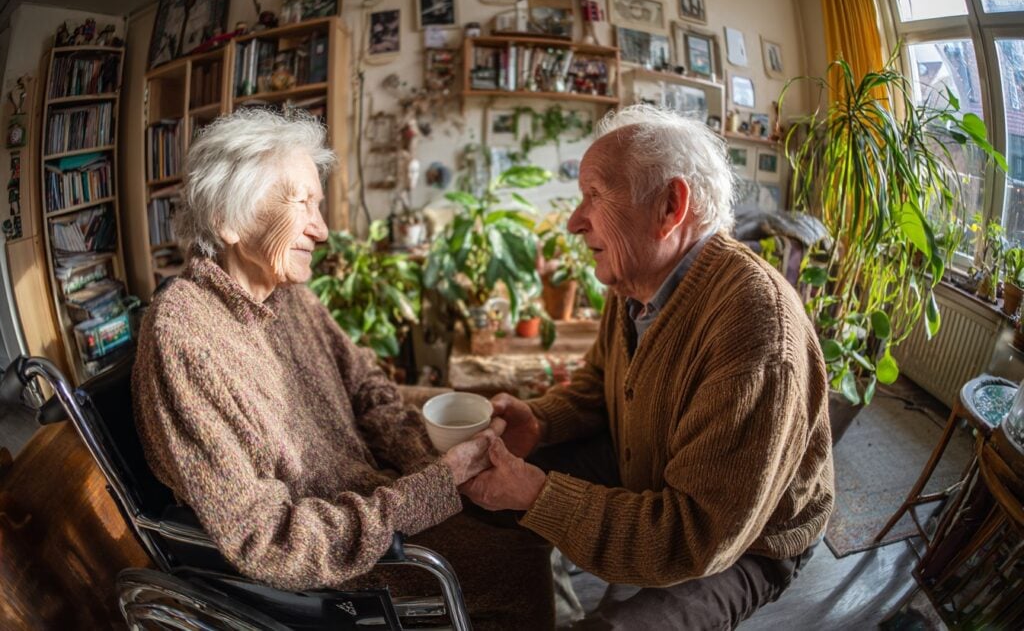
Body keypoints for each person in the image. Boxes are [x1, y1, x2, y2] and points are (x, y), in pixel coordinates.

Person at [132, 109, 553, 629]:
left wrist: (430, 464)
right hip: (338, 564)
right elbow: (269, 541)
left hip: (379, 502)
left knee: (531, 510)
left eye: (319, 204)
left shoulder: (292, 298)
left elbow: (368, 387)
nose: (323, 229)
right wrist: (428, 491)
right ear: (229, 220)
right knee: (519, 562)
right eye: (301, 202)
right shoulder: (184, 335)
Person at [462, 104, 835, 629]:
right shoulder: (634, 278)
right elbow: (598, 381)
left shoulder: (755, 324)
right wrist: (542, 420)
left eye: (594, 194)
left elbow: (696, 534)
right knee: (490, 489)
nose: (574, 221)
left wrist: (537, 493)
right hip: (646, 464)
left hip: (748, 540)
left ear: (669, 205)